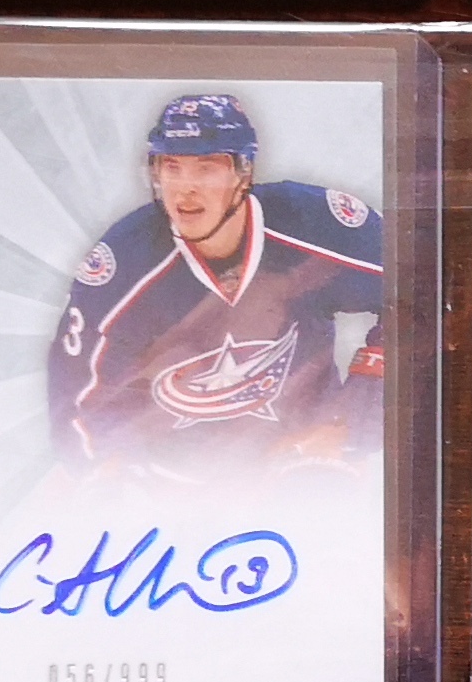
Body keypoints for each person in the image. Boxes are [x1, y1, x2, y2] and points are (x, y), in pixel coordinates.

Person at [47, 92, 384, 477]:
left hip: (303, 466)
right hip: (177, 481)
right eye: (172, 167)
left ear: (244, 173)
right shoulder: (123, 263)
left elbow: (419, 292)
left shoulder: (315, 225)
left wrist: (349, 422)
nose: (185, 187)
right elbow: (75, 398)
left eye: (206, 168)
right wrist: (101, 476)